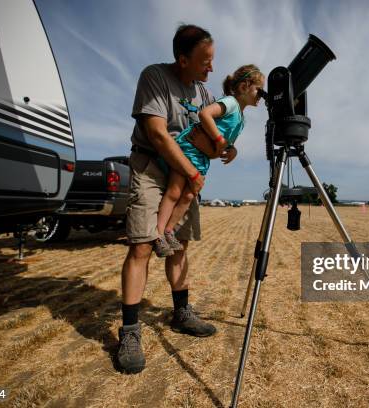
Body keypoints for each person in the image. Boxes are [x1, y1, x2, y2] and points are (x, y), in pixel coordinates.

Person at [118, 24, 235, 374]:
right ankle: (130, 331)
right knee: (142, 246)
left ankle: (181, 312)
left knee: (179, 245)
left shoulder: (205, 94)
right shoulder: (154, 77)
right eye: (204, 61)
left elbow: (215, 137)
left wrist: (227, 147)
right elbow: (157, 135)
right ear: (182, 59)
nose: (210, 68)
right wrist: (194, 173)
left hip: (184, 176)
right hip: (153, 167)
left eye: (213, 60)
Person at [153, 65, 265, 257]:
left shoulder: (242, 120)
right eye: (259, 90)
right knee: (175, 191)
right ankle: (158, 235)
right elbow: (205, 114)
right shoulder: (229, 102)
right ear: (244, 87)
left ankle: (169, 230)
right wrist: (218, 140)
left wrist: (233, 150)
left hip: (202, 158)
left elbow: (227, 143)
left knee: (188, 197)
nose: (262, 95)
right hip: (189, 149)